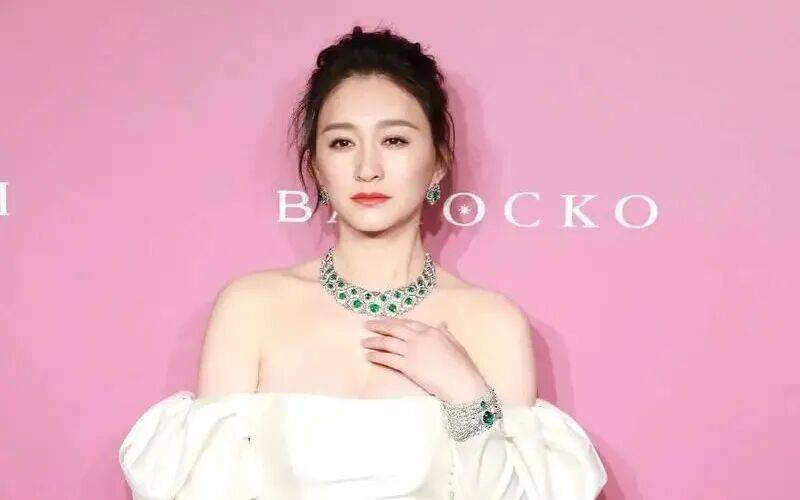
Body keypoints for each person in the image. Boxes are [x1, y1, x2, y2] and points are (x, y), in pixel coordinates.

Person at [118, 25, 607, 500]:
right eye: (342, 142)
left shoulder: (491, 322)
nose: (367, 168)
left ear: (437, 163)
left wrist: (467, 396)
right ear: (317, 168)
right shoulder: (251, 308)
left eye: (394, 140)